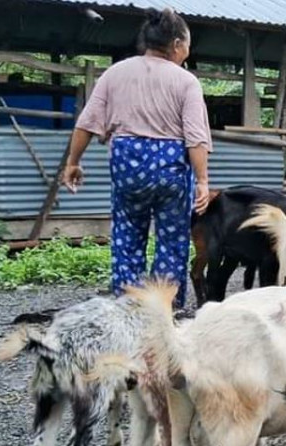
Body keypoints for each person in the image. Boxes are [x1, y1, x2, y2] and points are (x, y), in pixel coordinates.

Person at [61, 7, 211, 308]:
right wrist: (203, 181)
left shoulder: (116, 72)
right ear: (178, 45)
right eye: (188, 44)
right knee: (172, 241)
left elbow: (87, 123)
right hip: (171, 167)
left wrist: (73, 162)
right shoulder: (185, 81)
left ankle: (127, 308)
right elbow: (195, 137)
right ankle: (161, 309)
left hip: (127, 162)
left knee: (127, 236)